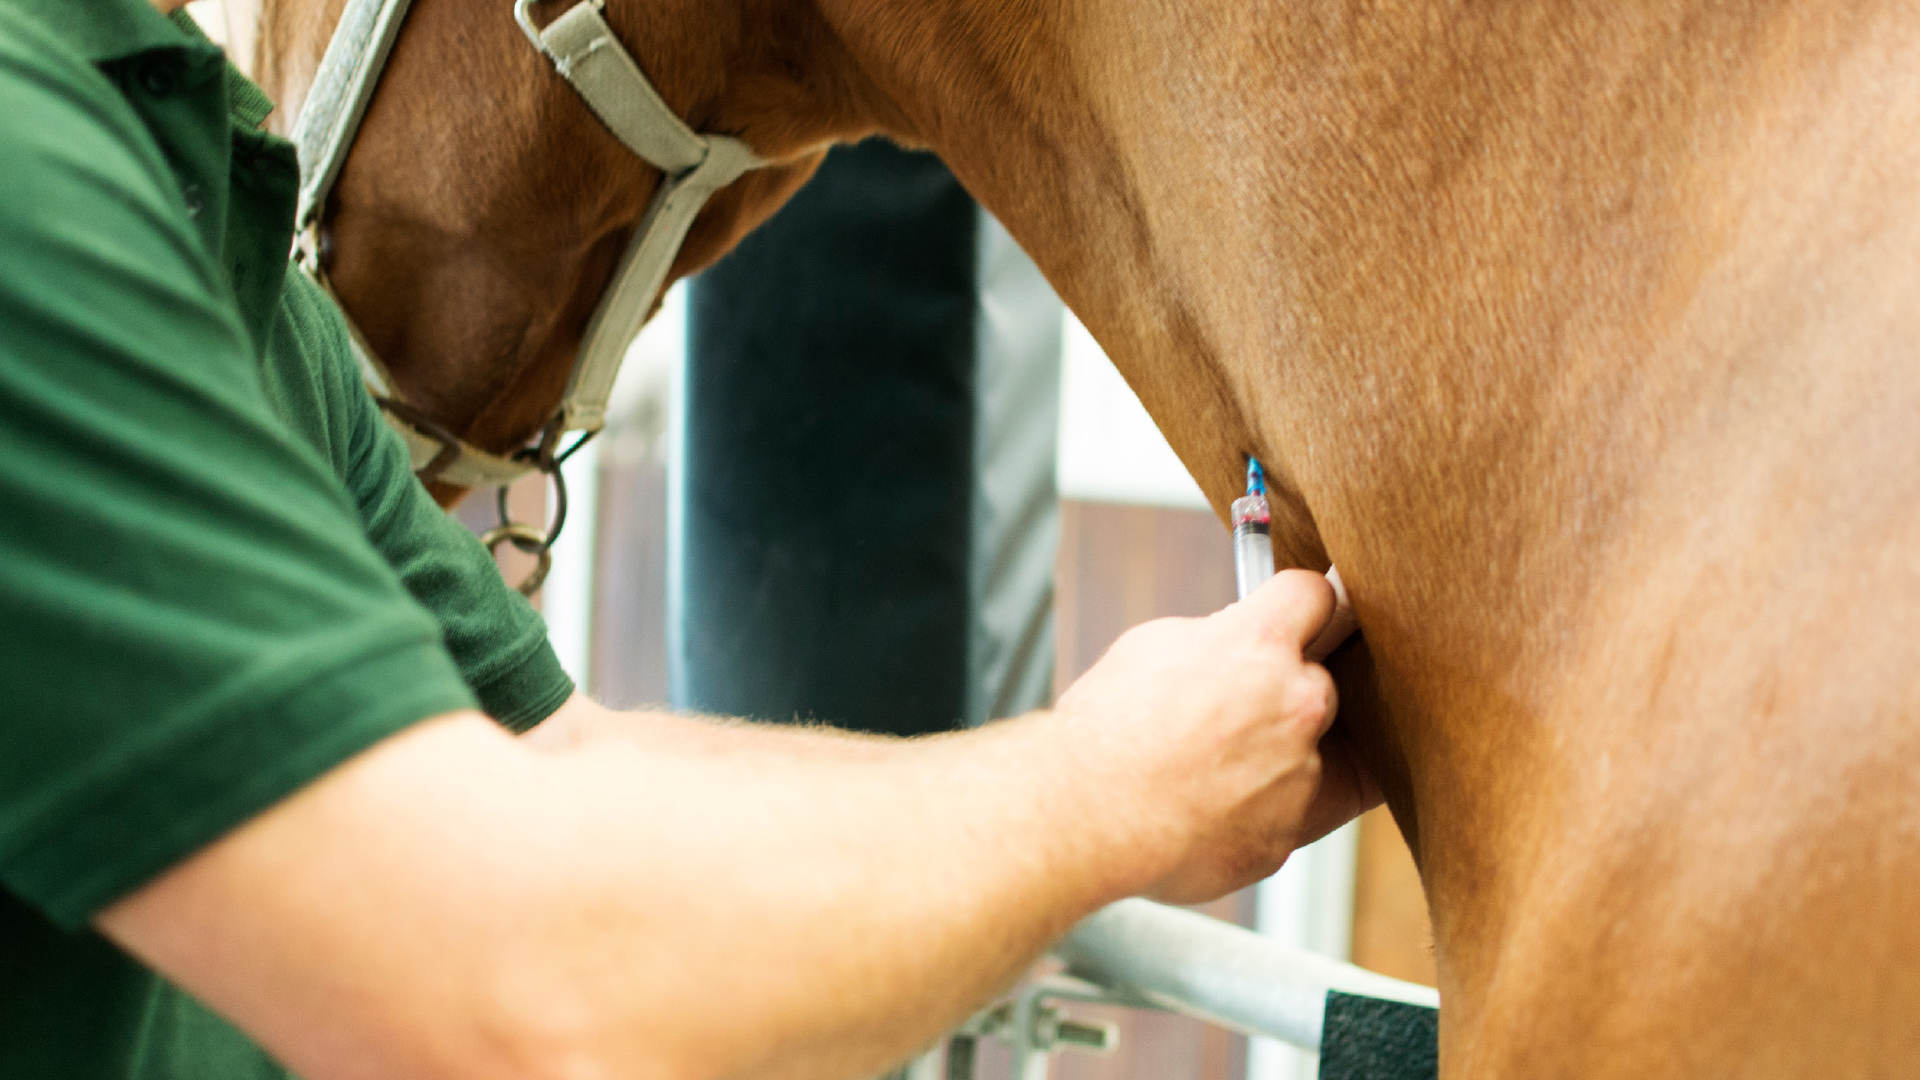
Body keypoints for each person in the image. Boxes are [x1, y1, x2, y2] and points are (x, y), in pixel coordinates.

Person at [0, 0, 1378, 1077]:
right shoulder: (27, 176)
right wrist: (1106, 793)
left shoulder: (197, 191)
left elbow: (561, 763)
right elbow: (514, 1004)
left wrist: (1140, 772)